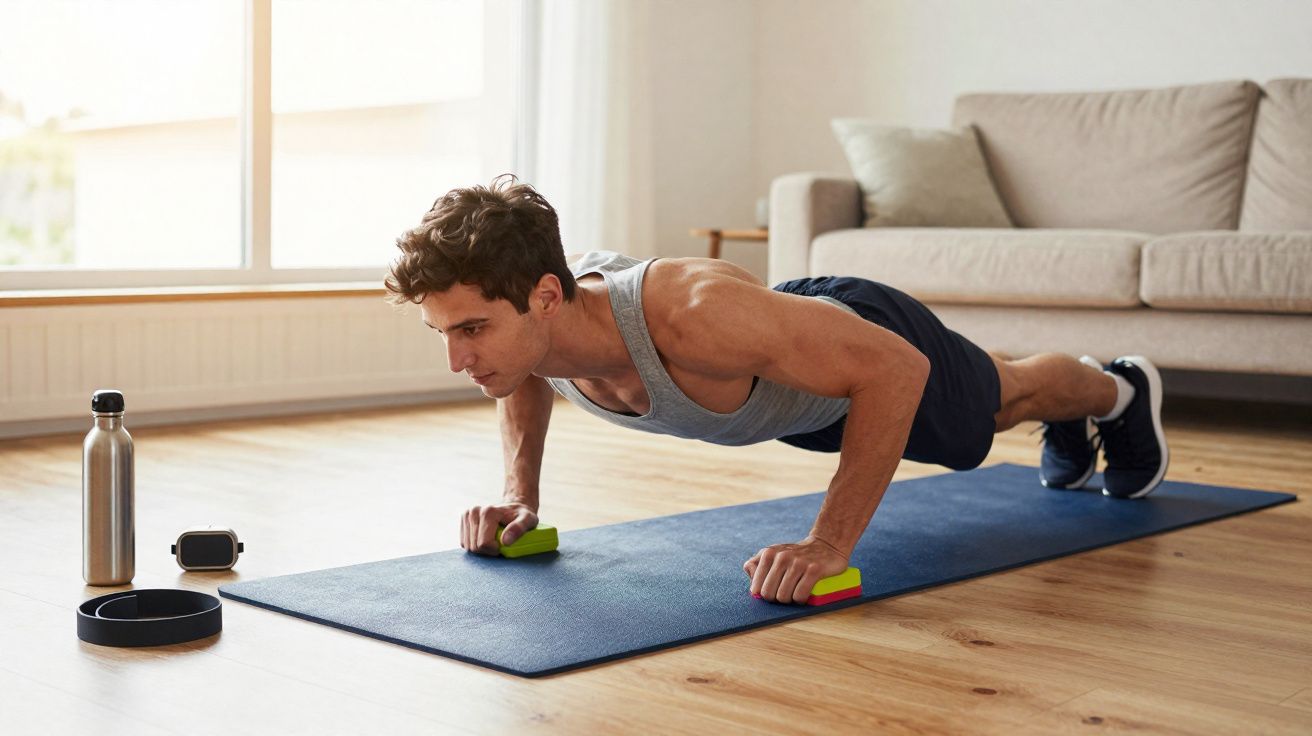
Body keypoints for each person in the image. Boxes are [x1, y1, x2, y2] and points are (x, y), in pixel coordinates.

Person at [384, 175, 1169, 605]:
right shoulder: (537, 332)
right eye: (445, 333)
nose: (459, 360)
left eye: (474, 331)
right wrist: (522, 497)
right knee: (988, 384)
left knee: (997, 405)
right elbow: (526, 376)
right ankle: (1067, 397)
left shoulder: (694, 317)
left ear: (547, 296)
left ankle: (1120, 392)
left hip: (871, 337)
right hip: (802, 395)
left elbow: (897, 371)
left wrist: (828, 545)